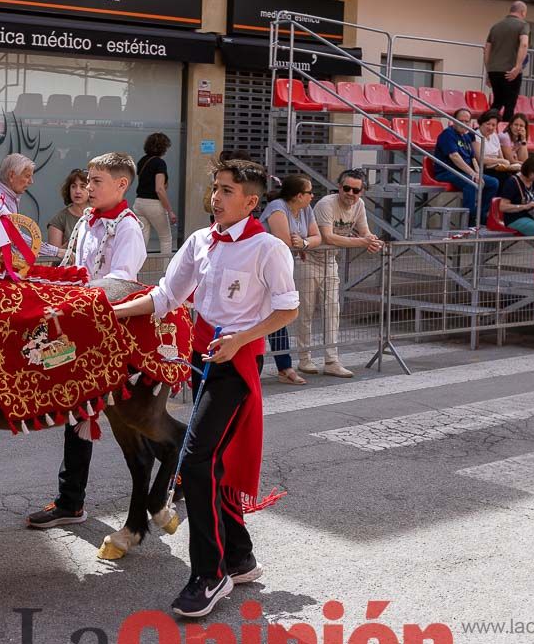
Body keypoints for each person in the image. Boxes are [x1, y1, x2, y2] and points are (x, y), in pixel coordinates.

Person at [112, 158, 298, 618]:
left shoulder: (268, 248)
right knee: (209, 461)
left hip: (237, 367)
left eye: (227, 190)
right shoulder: (200, 242)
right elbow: (165, 297)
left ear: (250, 202)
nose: (215, 197)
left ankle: (210, 575)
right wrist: (110, 312)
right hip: (204, 361)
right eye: (215, 188)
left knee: (195, 463)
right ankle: (240, 557)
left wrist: (241, 339)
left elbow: (287, 309)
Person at [26, 152, 146, 529]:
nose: (88, 188)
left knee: (124, 419)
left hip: (108, 331)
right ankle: (71, 500)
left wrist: (74, 297)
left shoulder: (128, 227)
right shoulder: (86, 222)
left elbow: (122, 280)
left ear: (121, 185)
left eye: (96, 182)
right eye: (88, 180)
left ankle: (159, 482)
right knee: (76, 414)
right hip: (79, 326)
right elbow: (70, 269)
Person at [312, 169, 384, 377]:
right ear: (339, 187)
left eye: (356, 190)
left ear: (362, 192)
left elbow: (364, 230)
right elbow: (329, 236)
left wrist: (371, 240)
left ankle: (331, 361)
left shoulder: (359, 205)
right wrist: (362, 242)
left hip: (330, 261)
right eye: (346, 188)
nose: (350, 193)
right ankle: (304, 358)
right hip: (308, 259)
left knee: (332, 310)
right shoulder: (326, 204)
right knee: (305, 312)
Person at [259, 174, 320, 383]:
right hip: (260, 269)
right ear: (297, 195)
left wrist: (303, 243)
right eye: (309, 192)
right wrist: (301, 244)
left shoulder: (306, 209)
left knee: (278, 316)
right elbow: (283, 242)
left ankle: (284, 367)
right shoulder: (278, 207)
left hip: (281, 270)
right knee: (258, 316)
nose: (313, 196)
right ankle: (257, 366)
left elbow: (317, 238)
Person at [433, 108, 499, 226]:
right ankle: (469, 221)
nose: (464, 124)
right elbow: (455, 157)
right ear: (453, 120)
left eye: (467, 122)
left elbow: (473, 158)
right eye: (461, 121)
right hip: (446, 171)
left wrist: (478, 173)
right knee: (470, 182)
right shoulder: (448, 134)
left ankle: (482, 215)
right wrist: (473, 175)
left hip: (464, 172)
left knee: (493, 182)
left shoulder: (466, 136)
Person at [483, 1, 529, 122]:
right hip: (510, 70)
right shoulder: (522, 25)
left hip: (494, 70)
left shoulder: (496, 26)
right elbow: (524, 44)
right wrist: (518, 66)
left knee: (497, 102)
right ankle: (505, 132)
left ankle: (487, 124)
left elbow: (487, 49)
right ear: (523, 12)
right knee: (510, 104)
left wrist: (489, 70)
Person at [134, 132, 178, 254]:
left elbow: (143, 183)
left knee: (142, 240)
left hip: (139, 203)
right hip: (153, 204)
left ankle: (136, 269)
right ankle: (166, 271)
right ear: (163, 147)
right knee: (166, 239)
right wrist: (170, 211)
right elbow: (159, 188)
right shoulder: (159, 163)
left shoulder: (142, 161)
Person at [498, 154, 534, 237]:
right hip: (516, 218)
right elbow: (502, 207)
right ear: (531, 173)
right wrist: (525, 206)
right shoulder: (512, 182)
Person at [46, 168, 89, 252]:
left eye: (83, 186)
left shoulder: (100, 215)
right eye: (73, 186)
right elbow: (52, 256)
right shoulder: (59, 219)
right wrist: (70, 244)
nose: (77, 191)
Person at [476, 109, 522, 177]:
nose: (490, 127)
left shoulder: (494, 135)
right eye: (488, 124)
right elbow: (480, 159)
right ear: (481, 123)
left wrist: (504, 164)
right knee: (511, 177)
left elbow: (501, 157)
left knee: (523, 173)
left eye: (493, 125)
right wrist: (500, 161)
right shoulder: (476, 135)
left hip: (498, 167)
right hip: (485, 168)